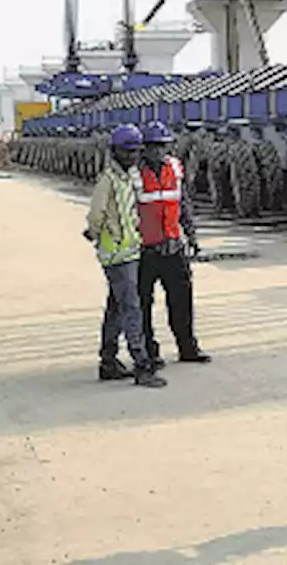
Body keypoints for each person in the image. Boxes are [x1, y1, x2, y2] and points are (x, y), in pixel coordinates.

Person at [84, 123, 166, 388]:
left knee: (116, 309)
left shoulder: (128, 177)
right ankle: (142, 366)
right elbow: (95, 214)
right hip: (117, 255)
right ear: (115, 151)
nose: (132, 156)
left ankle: (108, 361)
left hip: (129, 252)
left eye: (135, 152)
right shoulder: (108, 180)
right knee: (132, 309)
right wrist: (99, 234)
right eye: (127, 151)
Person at [135, 121, 210, 368]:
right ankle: (149, 352)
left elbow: (183, 205)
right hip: (144, 250)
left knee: (181, 301)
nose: (158, 152)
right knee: (142, 304)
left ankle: (187, 347)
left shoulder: (175, 168)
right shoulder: (133, 173)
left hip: (173, 247)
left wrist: (191, 236)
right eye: (153, 146)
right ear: (143, 148)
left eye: (162, 146)